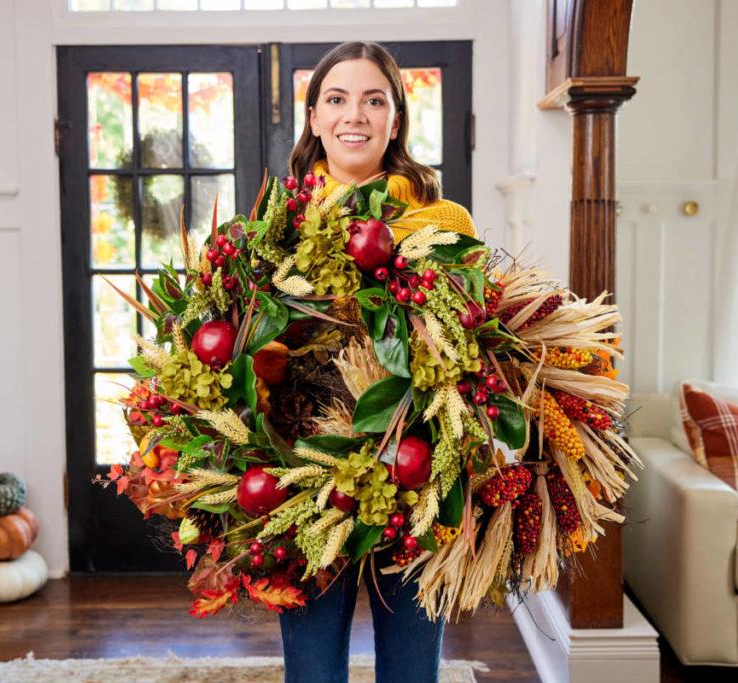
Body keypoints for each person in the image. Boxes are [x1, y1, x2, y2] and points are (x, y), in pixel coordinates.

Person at [279, 41, 476, 683]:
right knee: (311, 672)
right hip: (308, 477)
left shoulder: (441, 220)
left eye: (373, 99)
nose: (353, 115)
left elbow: (478, 352)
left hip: (415, 477)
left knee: (414, 671)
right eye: (335, 99)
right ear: (313, 118)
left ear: (396, 120)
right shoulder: (277, 223)